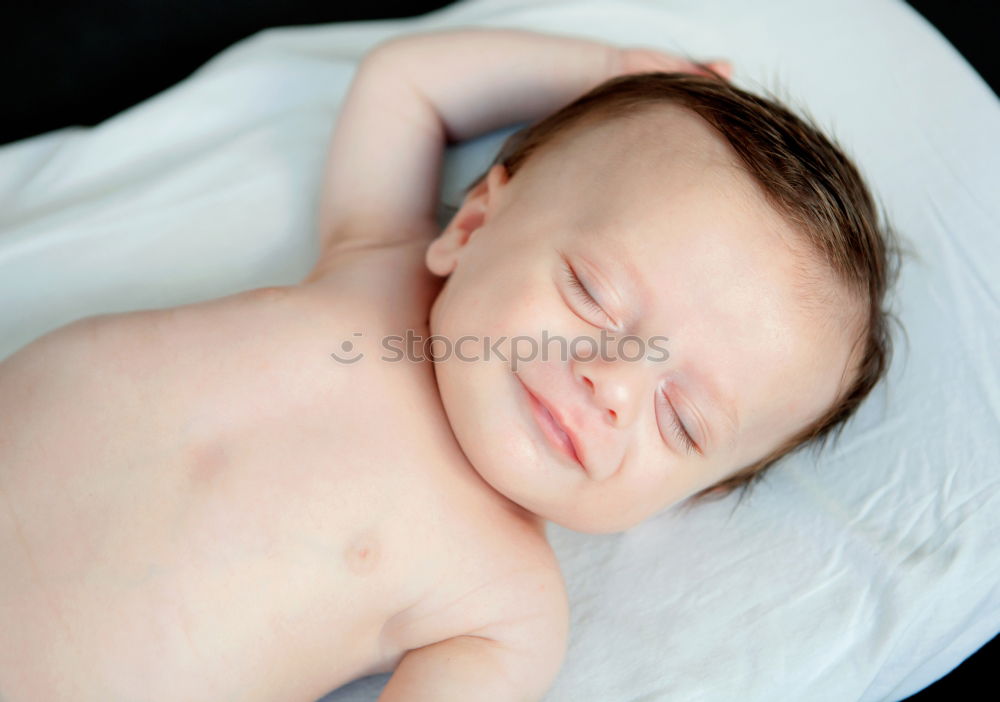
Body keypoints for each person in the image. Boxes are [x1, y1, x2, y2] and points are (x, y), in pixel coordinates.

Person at [0, 27, 900, 701]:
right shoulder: (378, 267)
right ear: (471, 227)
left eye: (682, 420)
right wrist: (611, 76)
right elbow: (408, 85)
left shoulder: (504, 610)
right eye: (591, 291)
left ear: (689, 496)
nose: (614, 381)